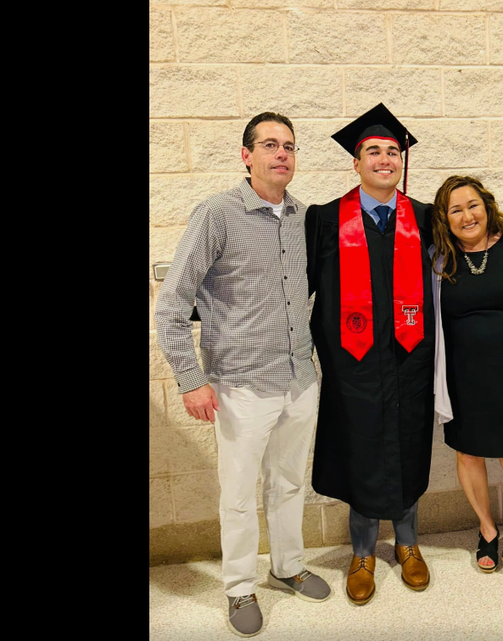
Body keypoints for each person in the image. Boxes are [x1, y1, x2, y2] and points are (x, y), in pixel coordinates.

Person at [155, 112, 330, 638]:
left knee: (289, 481)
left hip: (299, 376)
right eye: (270, 145)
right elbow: (171, 304)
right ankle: (238, 588)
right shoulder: (217, 214)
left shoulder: (304, 218)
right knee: (237, 492)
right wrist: (190, 379)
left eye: (290, 146)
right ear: (246, 155)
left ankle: (287, 566)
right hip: (240, 384)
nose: (282, 154)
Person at [305, 103, 435, 605]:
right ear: (355, 163)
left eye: (393, 152)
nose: (385, 159)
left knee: (406, 446)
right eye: (373, 151)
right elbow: (295, 289)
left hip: (410, 362)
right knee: (360, 451)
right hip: (352, 368)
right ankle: (362, 552)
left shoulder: (423, 218)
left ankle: (407, 545)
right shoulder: (323, 221)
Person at [430, 175, 503, 573]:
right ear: (445, 219)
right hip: (463, 378)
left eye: (473, 205)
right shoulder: (438, 260)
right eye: (456, 209)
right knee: (469, 454)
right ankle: (486, 528)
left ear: (487, 206)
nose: (467, 215)